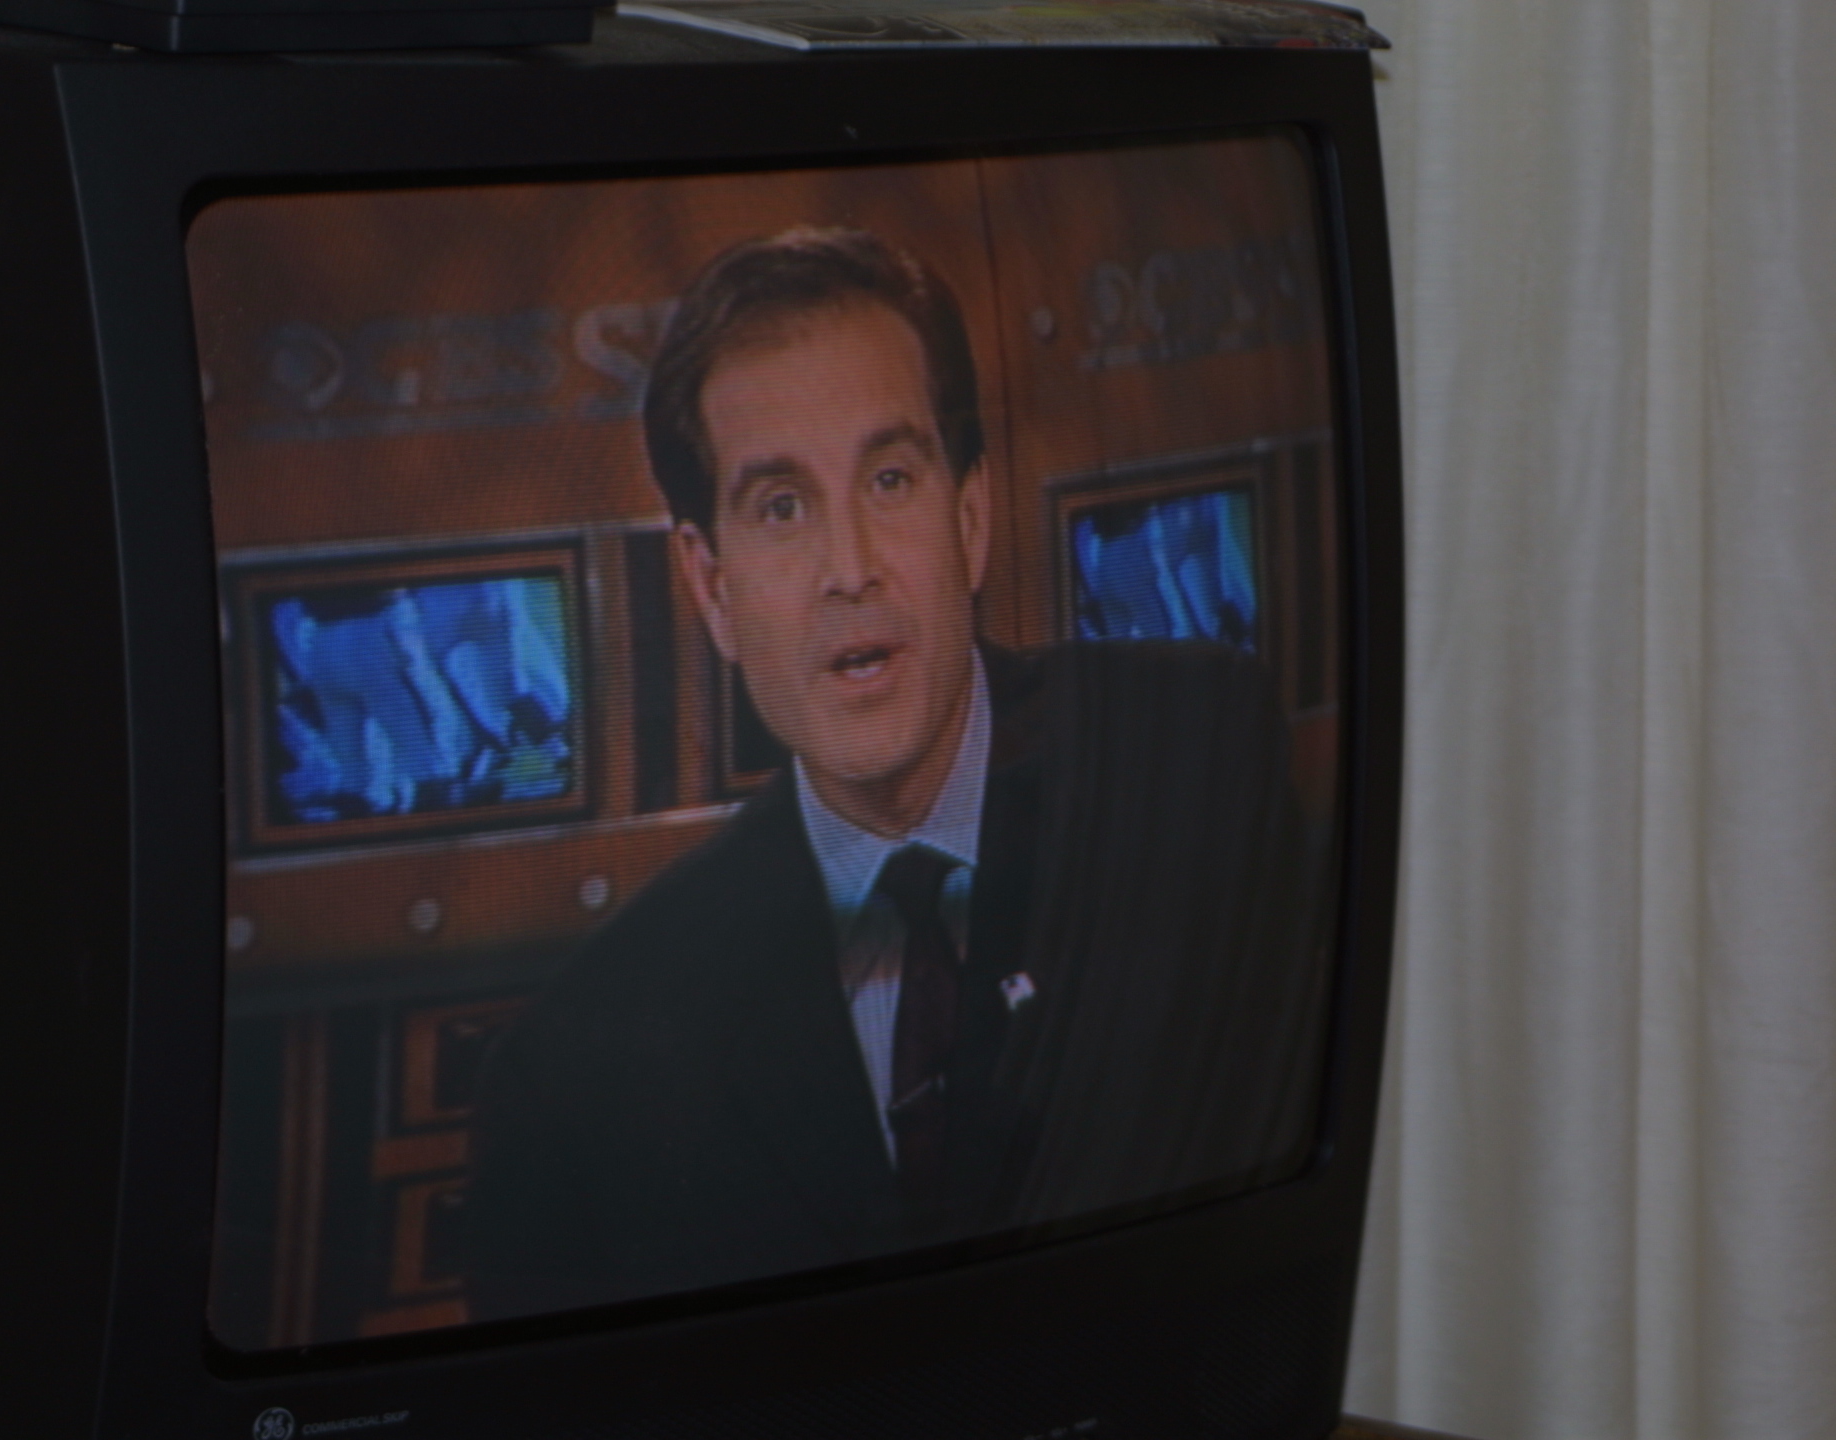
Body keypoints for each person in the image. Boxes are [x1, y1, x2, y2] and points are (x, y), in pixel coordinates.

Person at [464, 227, 1325, 1323]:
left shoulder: (1195, 761)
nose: (851, 568)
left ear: (969, 520)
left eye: (889, 478)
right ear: (712, 587)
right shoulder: (579, 1073)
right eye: (782, 507)